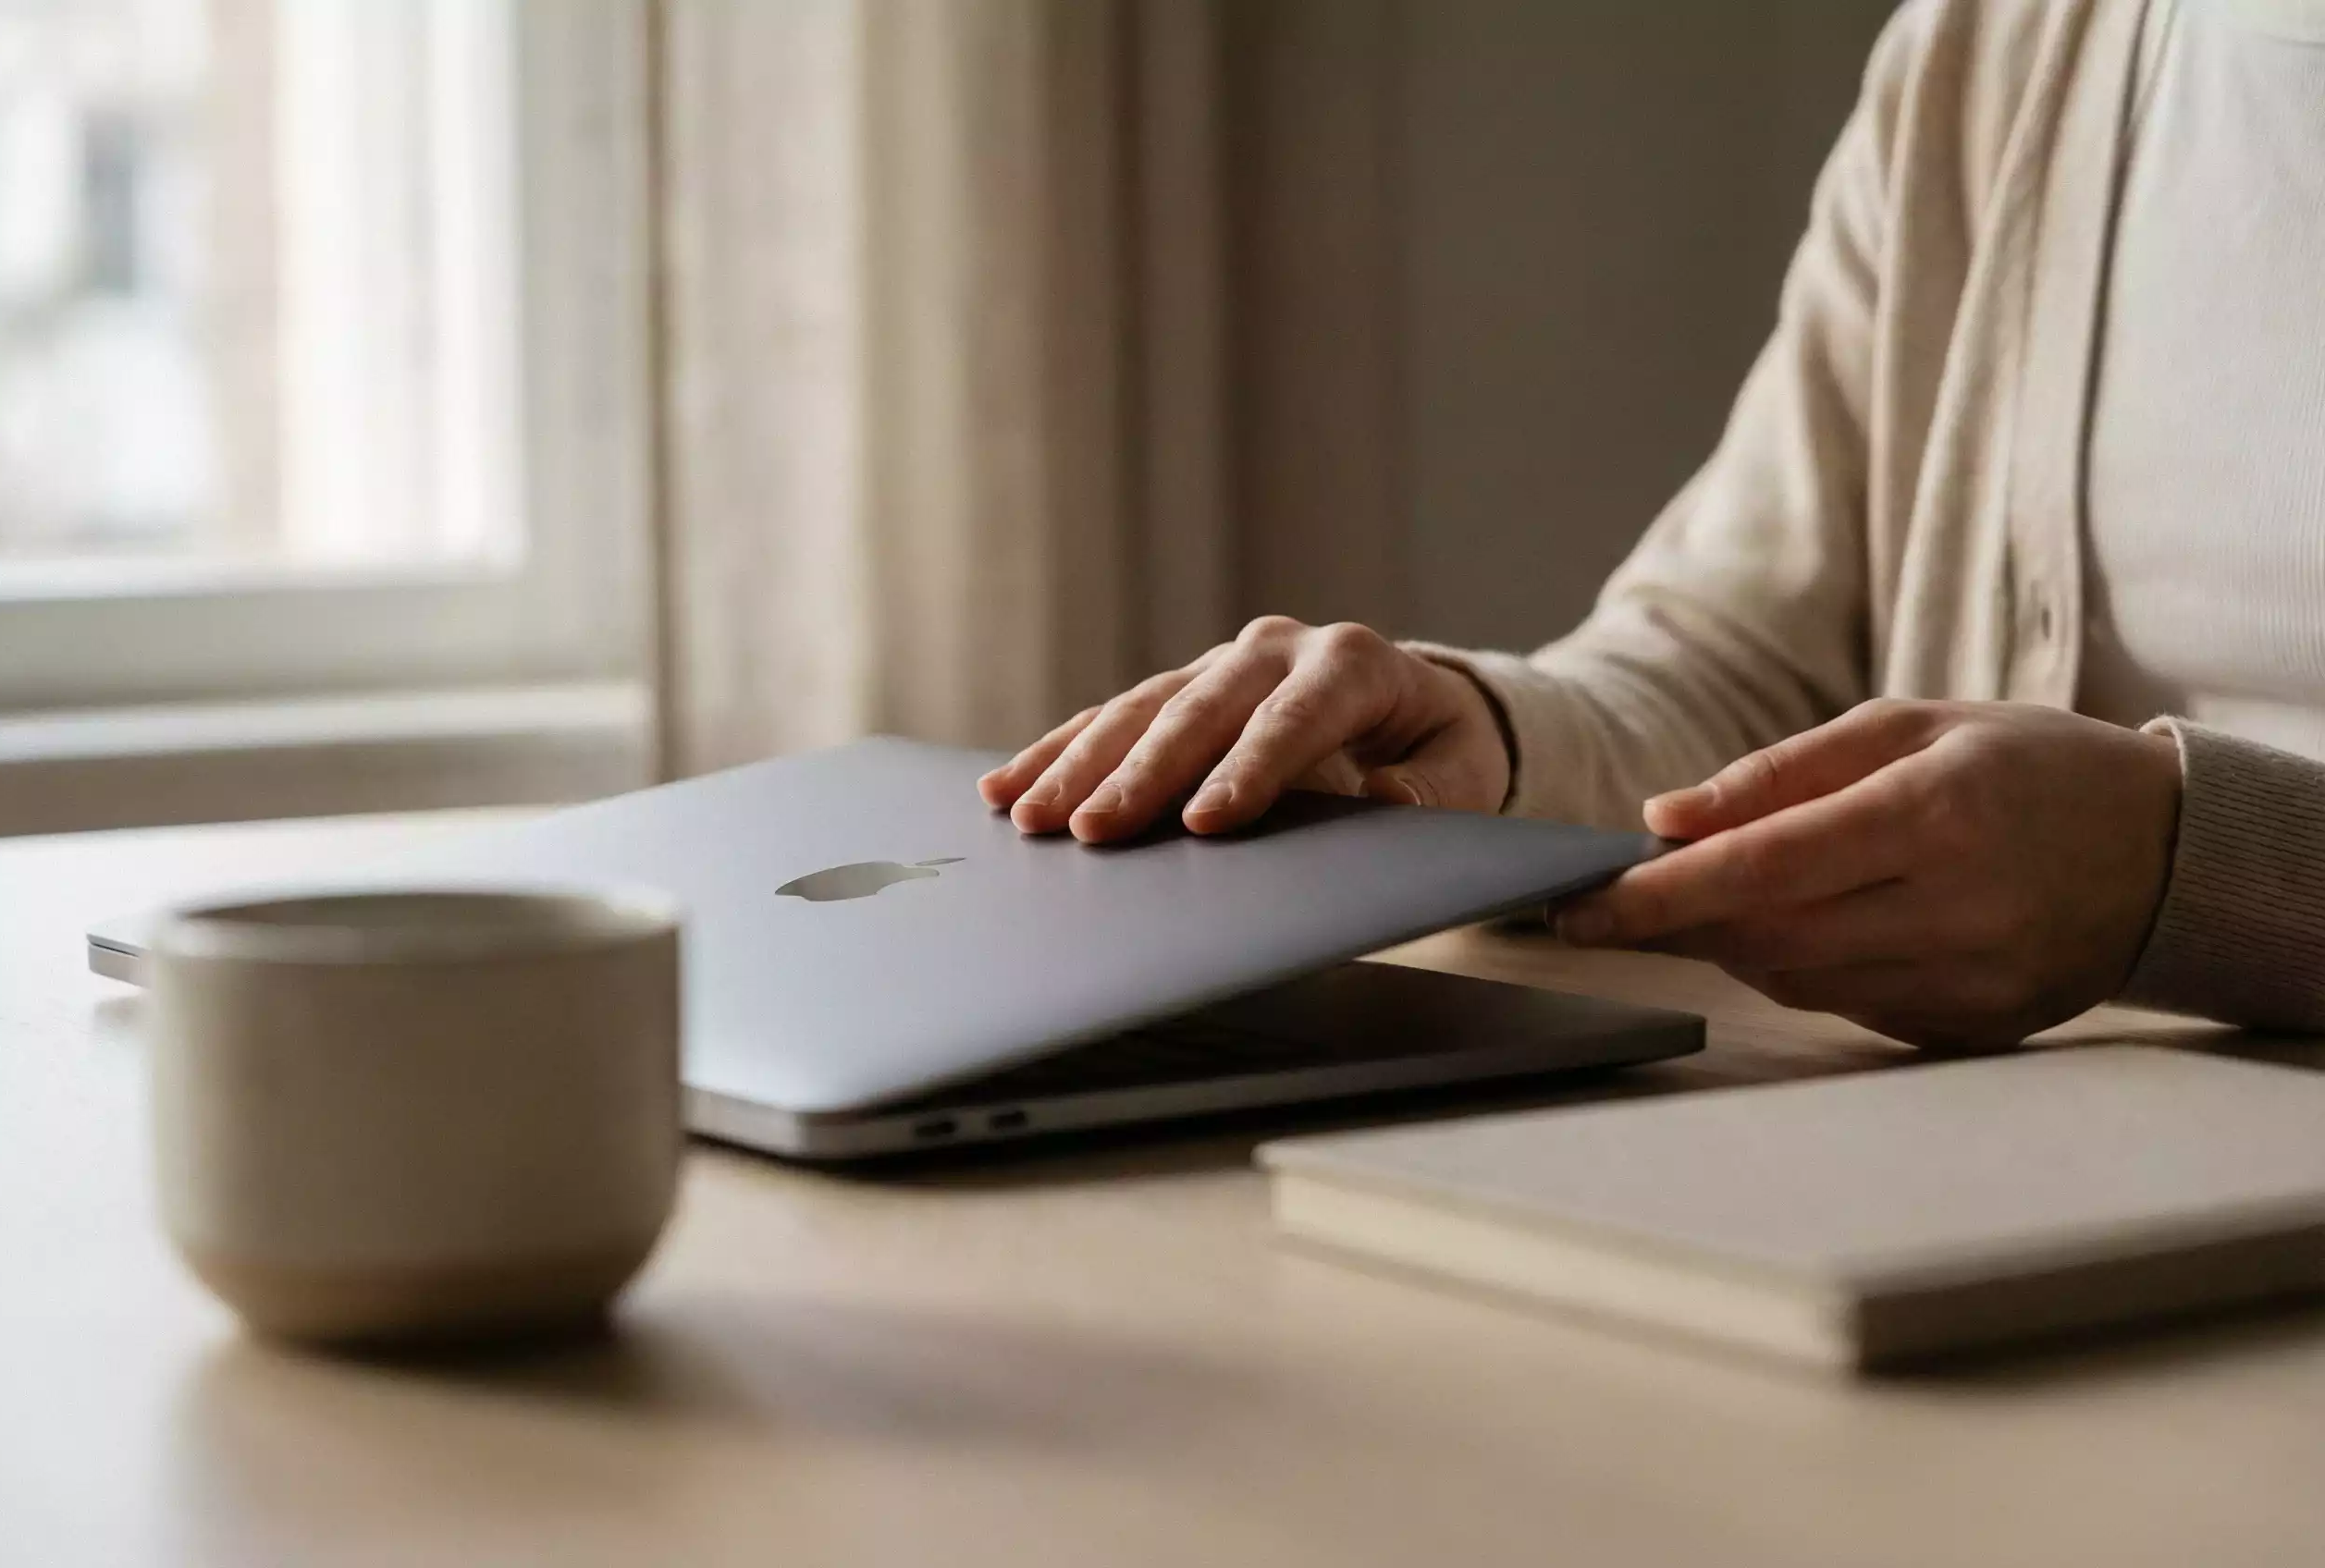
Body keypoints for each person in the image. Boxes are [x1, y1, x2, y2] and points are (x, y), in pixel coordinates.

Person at [979, 0, 2325, 1048]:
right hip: (2033, 1183)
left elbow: (2142, 862)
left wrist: (2188, 871)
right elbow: (1749, 673)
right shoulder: (2007, 49)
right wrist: (1483, 756)